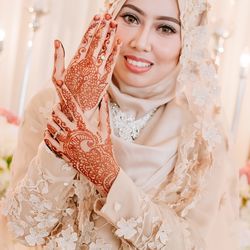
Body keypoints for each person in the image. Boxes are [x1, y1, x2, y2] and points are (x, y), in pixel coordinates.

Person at [1, 0, 238, 249]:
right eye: (131, 18)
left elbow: (192, 244)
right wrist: (69, 122)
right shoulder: (50, 104)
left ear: (187, 41)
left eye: (166, 29)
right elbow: (22, 228)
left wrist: (110, 178)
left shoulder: (202, 138)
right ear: (109, 17)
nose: (141, 42)